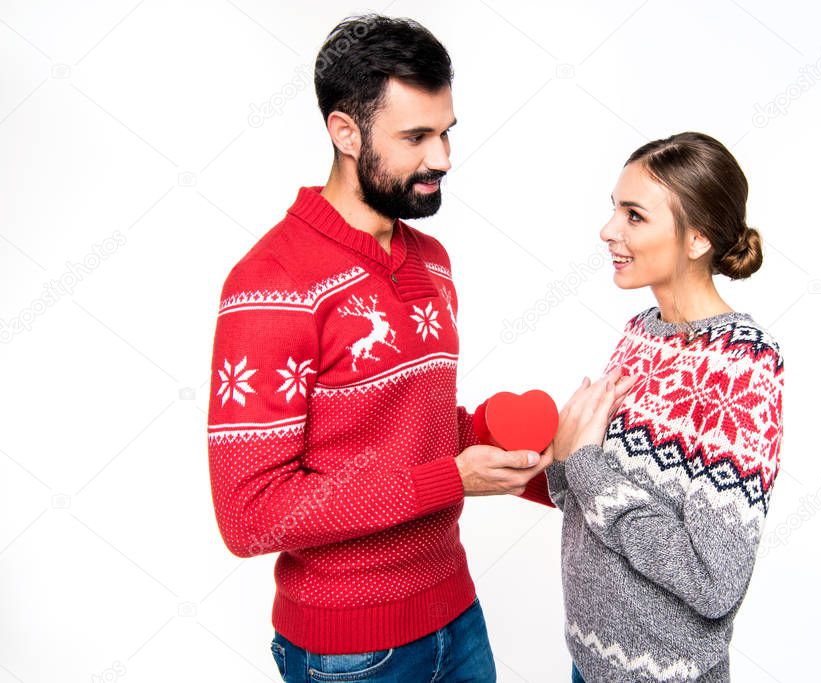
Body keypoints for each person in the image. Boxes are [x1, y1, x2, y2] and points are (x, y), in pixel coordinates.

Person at [204, 14, 633, 682]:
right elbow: (250, 513)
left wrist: (537, 450)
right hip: (351, 653)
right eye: (416, 137)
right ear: (345, 132)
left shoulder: (430, 261)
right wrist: (450, 478)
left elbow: (421, 435)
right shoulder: (270, 284)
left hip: (456, 616)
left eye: (445, 132)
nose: (442, 158)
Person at [543, 132, 785, 682]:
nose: (609, 231)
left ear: (697, 238)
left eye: (634, 216)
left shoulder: (743, 364)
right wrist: (558, 453)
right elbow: (576, 498)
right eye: (614, 210)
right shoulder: (640, 333)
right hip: (588, 659)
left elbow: (712, 580)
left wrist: (582, 462)